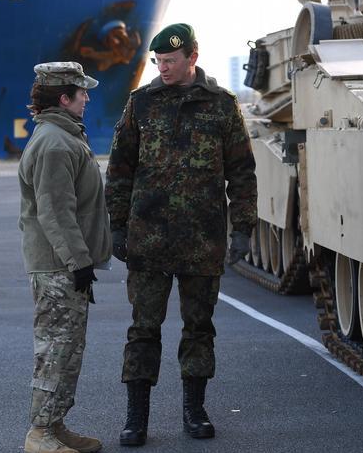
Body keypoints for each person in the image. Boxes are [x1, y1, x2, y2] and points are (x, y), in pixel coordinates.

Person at [105, 23, 257, 446]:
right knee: (143, 329)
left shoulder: (222, 106)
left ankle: (195, 411)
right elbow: (119, 170)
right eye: (158, 61)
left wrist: (242, 227)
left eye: (170, 61)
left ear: (193, 56)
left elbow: (242, 172)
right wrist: (118, 224)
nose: (163, 68)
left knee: (199, 328)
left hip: (202, 240)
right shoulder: (141, 105)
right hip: (148, 240)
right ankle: (136, 418)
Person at [18, 61, 112, 453]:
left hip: (63, 263)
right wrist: (78, 262)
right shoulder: (56, 143)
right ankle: (40, 434)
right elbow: (55, 210)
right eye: (82, 92)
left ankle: (54, 427)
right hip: (60, 265)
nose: (87, 98)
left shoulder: (62, 136)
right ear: (64, 98)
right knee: (56, 350)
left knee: (67, 349)